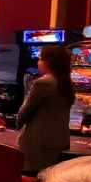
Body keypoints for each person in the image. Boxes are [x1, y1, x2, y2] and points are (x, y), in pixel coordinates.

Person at [18, 44, 75, 173]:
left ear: (48, 62)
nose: (38, 62)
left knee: (34, 177)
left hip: (39, 143)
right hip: (59, 140)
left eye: (40, 59)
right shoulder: (66, 82)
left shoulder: (43, 83)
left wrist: (18, 123)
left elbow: (24, 113)